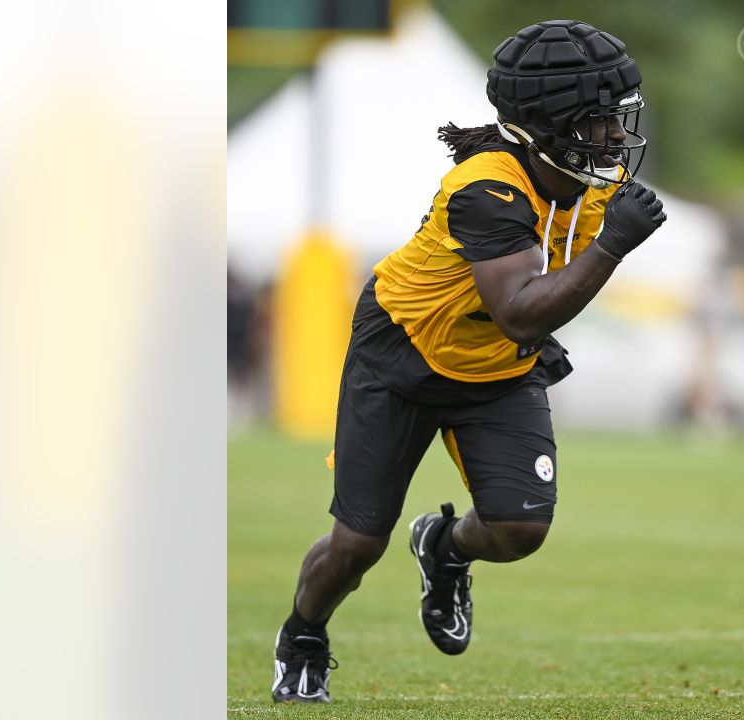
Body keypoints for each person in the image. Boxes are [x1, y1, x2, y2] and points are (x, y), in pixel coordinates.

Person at [271, 19, 667, 703]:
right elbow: (517, 307)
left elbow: (528, 305)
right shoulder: (486, 186)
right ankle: (303, 635)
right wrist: (611, 251)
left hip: (495, 358)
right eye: (599, 121)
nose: (615, 136)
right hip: (405, 351)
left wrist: (551, 319)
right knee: (357, 545)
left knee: (519, 529)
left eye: (616, 118)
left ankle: (445, 546)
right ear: (548, 125)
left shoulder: (591, 184)